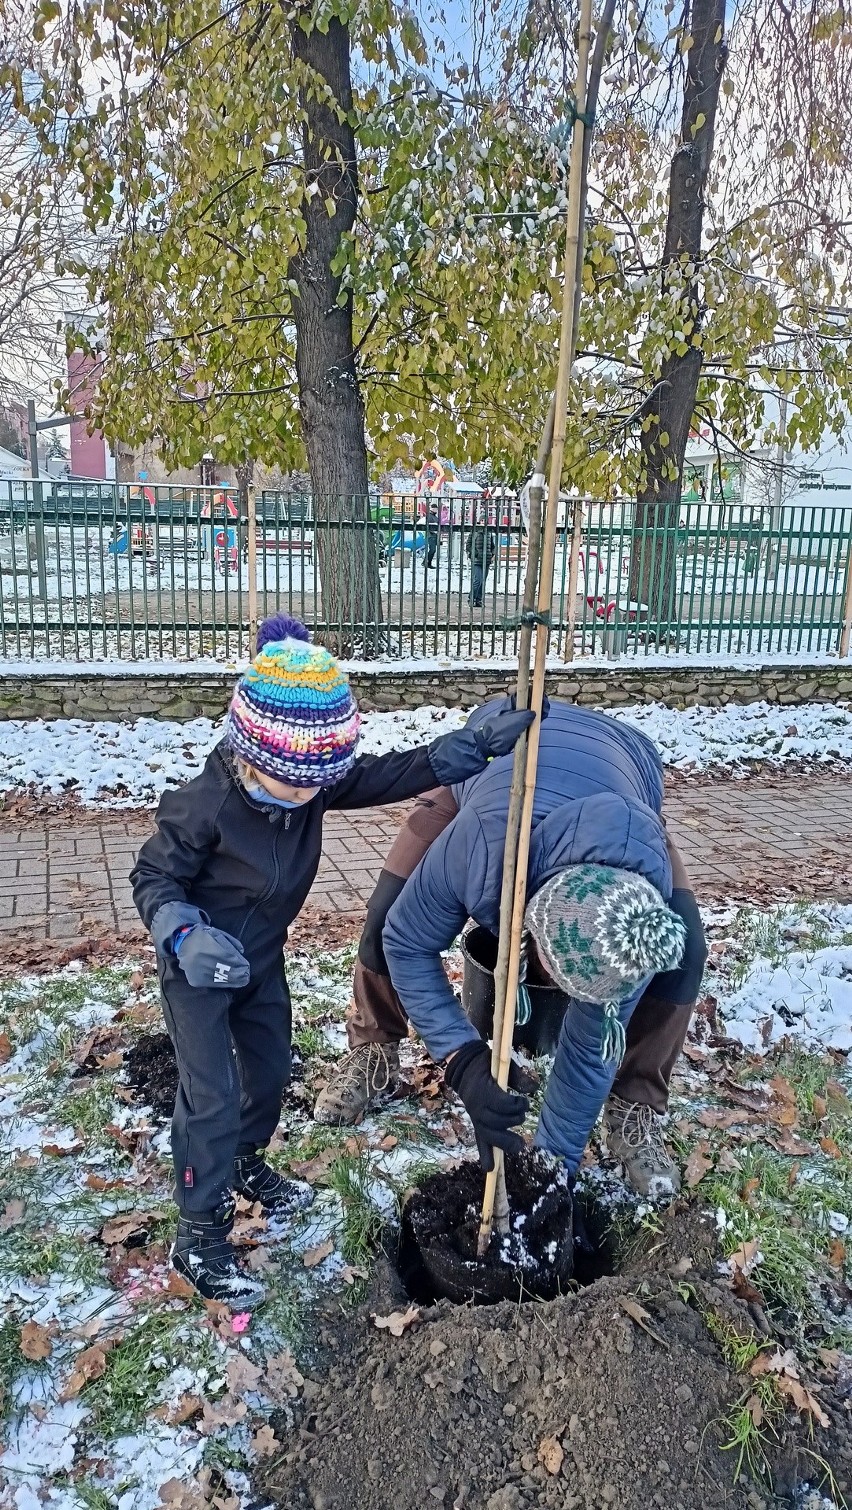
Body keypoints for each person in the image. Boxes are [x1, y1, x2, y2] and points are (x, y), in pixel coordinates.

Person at [130, 616, 533, 1305]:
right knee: (211, 1093)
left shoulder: (306, 775)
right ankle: (199, 1232)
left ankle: (248, 1162)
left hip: (261, 959)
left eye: (319, 784)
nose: (310, 796)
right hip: (199, 965)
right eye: (295, 787)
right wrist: (180, 931)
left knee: (268, 1065)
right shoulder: (207, 802)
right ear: (251, 757)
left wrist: (463, 752)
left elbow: (382, 775)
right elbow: (152, 877)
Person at [313, 697, 707, 1197]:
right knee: (386, 914)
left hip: (622, 764)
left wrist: (549, 1175)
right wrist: (462, 1059)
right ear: (533, 922)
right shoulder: (481, 846)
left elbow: (588, 1050)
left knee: (686, 956)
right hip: (500, 761)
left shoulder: (632, 921)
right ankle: (373, 1050)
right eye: (547, 970)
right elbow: (407, 942)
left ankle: (636, 1102)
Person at [466, 515, 496, 606]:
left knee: (483, 581)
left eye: (485, 520)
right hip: (477, 560)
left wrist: (492, 554)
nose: (483, 522)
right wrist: (474, 554)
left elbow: (492, 546)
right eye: (482, 520)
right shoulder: (474, 531)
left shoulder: (489, 532)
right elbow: (468, 545)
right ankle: (471, 598)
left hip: (486, 560)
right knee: (477, 580)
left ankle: (479, 600)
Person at [424, 500, 440, 568]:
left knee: (432, 550)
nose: (436, 510)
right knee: (432, 550)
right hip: (431, 535)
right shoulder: (430, 516)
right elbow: (429, 526)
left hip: (433, 535)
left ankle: (426, 562)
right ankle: (427, 562)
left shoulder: (433, 516)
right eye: (435, 509)